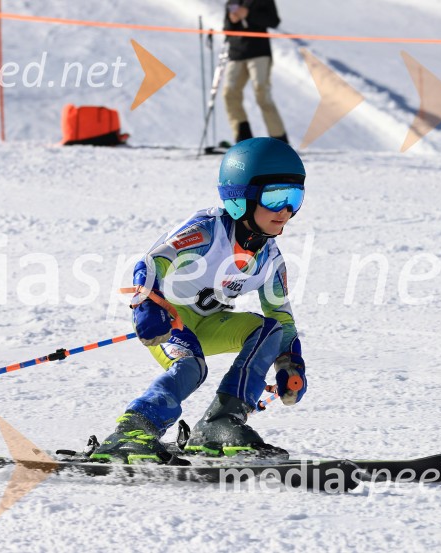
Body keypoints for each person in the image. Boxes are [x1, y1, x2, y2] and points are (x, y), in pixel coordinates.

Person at [92, 138, 307, 464]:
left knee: (270, 330)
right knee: (191, 366)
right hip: (168, 322)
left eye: (295, 198)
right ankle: (133, 431)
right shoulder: (208, 232)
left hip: (208, 323)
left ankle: (220, 423)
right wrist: (148, 305)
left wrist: (291, 363)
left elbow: (282, 316)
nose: (286, 211)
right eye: (275, 197)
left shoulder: (271, 260)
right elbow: (152, 262)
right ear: (241, 198)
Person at [222, 0, 288, 144]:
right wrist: (232, 21)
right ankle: (243, 137)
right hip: (236, 53)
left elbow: (274, 21)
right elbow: (226, 29)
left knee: (261, 93)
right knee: (229, 93)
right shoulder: (232, 1)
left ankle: (279, 139)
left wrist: (249, 14)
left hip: (259, 52)